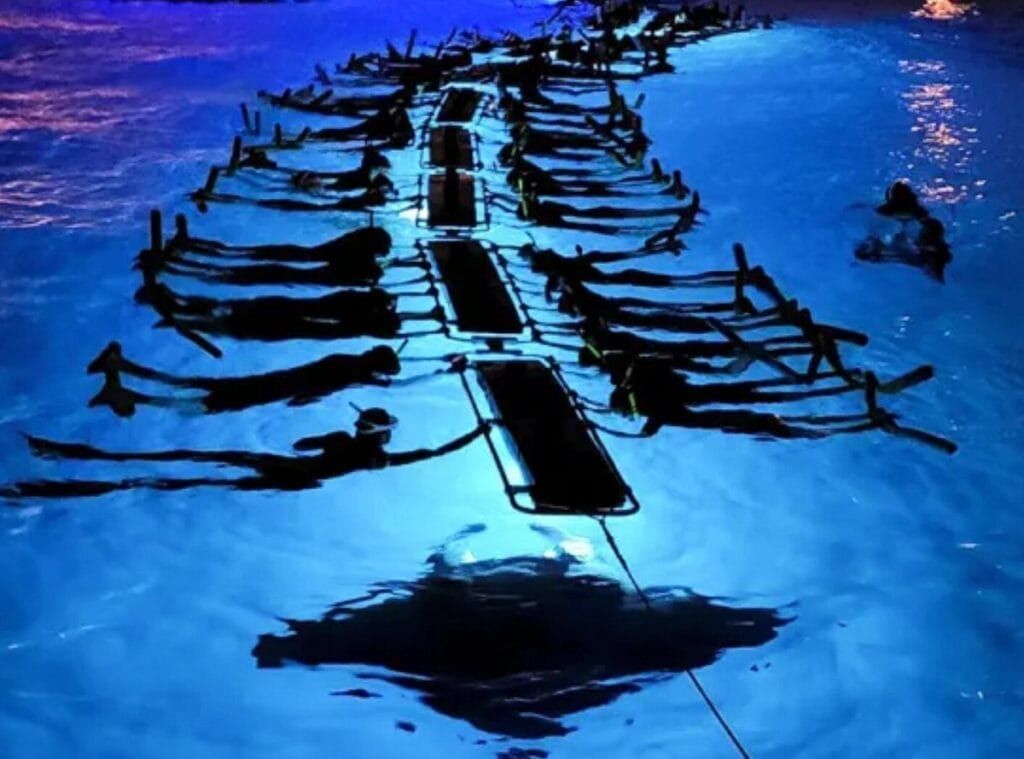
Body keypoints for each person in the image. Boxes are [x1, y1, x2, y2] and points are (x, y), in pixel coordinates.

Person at [3, 410, 490, 500]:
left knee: (190, 456)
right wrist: (476, 434)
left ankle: (66, 454)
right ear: (382, 436)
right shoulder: (375, 459)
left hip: (283, 464)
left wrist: (328, 439)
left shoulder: (341, 439)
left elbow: (300, 445)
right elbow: (430, 453)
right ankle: (38, 489)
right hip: (293, 480)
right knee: (186, 481)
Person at [85, 341, 404, 417]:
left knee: (201, 386)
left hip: (271, 382)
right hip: (270, 391)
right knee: (205, 404)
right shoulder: (350, 371)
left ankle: (123, 368)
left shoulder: (347, 360)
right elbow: (321, 388)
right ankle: (125, 391)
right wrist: (303, 400)